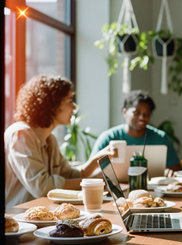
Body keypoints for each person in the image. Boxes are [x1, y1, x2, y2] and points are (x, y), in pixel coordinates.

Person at [4, 74, 112, 208]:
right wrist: (91, 182)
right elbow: (42, 187)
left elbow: (68, 175)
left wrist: (94, 163)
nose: (74, 107)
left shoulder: (50, 140)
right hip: (20, 221)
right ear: (52, 105)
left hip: (44, 215)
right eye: (70, 101)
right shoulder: (20, 134)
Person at [90, 90, 181, 176]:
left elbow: (177, 171)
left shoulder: (160, 138)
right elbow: (91, 172)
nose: (142, 117)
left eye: (147, 114)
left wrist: (169, 172)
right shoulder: (108, 138)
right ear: (124, 112)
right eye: (136, 113)